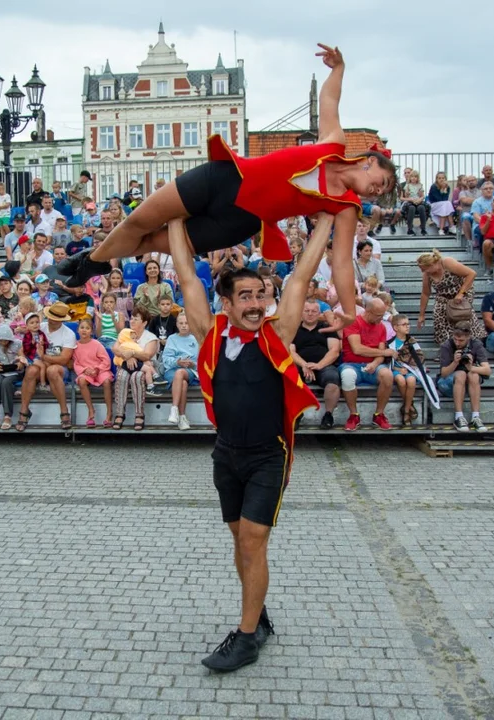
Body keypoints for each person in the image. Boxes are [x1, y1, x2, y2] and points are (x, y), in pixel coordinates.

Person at [57, 44, 396, 331]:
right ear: (368, 161)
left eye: (379, 193)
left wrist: (350, 312)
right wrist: (339, 68)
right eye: (379, 183)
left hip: (238, 221)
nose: (374, 192)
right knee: (137, 222)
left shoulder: (346, 207)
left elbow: (341, 263)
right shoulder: (332, 144)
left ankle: (94, 260)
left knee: (148, 243)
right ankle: (94, 261)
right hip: (223, 179)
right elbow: (330, 100)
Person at [168, 211, 334, 673]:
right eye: (246, 296)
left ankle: (245, 639)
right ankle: (256, 616)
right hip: (226, 455)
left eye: (261, 295)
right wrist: (177, 225)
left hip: (267, 455)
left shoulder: (276, 336)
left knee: (253, 541)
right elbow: (186, 278)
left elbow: (300, 276)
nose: (257, 303)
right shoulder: (211, 335)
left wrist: (327, 224)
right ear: (225, 301)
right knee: (241, 542)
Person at [16, 302, 77, 432]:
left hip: (60, 367)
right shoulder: (39, 327)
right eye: (50, 316)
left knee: (52, 370)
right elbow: (24, 347)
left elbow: (64, 359)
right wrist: (22, 357)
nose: (50, 319)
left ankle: (64, 411)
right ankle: (24, 410)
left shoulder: (68, 334)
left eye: (54, 318)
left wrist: (43, 356)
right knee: (31, 370)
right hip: (39, 364)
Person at [338, 298, 395, 431]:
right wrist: (384, 352)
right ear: (368, 312)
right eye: (379, 315)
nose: (381, 318)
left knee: (387, 375)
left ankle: (379, 414)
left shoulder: (381, 327)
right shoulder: (353, 323)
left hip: (372, 365)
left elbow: (381, 355)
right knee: (347, 375)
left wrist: (375, 364)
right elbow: (357, 349)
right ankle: (353, 414)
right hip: (351, 363)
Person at [290, 299, 342, 429]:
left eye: (314, 311)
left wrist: (319, 365)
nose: (310, 314)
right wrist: (304, 365)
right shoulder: (293, 330)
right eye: (306, 311)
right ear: (301, 312)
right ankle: (296, 414)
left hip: (324, 365)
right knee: (290, 378)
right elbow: (290, 351)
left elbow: (334, 351)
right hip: (300, 365)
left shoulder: (327, 329)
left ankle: (328, 415)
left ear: (319, 313)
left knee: (332, 382)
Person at [415, 250, 484, 344]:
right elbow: (425, 293)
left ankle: (469, 341)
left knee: (458, 312)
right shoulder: (427, 274)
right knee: (439, 312)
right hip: (443, 296)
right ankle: (445, 344)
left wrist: (461, 293)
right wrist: (421, 315)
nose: (423, 271)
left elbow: (471, 274)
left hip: (461, 290)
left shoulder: (447, 263)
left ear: (431, 264)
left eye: (424, 269)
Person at [110, 308, 159, 431]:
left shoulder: (151, 337)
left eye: (136, 319)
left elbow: (147, 355)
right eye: (131, 318)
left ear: (144, 322)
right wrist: (127, 358)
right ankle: (120, 413)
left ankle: (139, 414)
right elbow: (115, 349)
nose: (132, 321)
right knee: (122, 376)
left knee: (136, 376)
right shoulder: (125, 333)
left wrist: (131, 354)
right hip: (126, 364)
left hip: (145, 367)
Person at [437, 321, 491, 432]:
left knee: (474, 375)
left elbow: (487, 370)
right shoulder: (447, 345)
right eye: (455, 339)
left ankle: (475, 417)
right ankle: (458, 416)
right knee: (461, 374)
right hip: (448, 383)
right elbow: (443, 373)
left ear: (468, 337)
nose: (457, 343)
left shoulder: (476, 344)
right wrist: (455, 363)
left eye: (461, 340)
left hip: (467, 385)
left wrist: (471, 367)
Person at [73, 317, 114, 429]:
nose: (84, 330)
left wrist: (97, 369)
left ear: (91, 331)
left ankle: (109, 413)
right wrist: (85, 370)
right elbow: (76, 363)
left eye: (87, 328)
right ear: (78, 330)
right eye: (82, 328)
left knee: (106, 381)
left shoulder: (96, 344)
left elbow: (106, 360)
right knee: (81, 381)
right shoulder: (75, 346)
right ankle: (91, 410)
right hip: (86, 371)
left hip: (100, 370)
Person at [0, 324, 23, 430]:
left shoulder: (18, 344)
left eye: (6, 340)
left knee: (6, 383)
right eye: (1, 340)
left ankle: (8, 415)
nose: (4, 342)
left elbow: (23, 358)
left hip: (15, 372)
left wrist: (20, 362)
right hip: (0, 372)